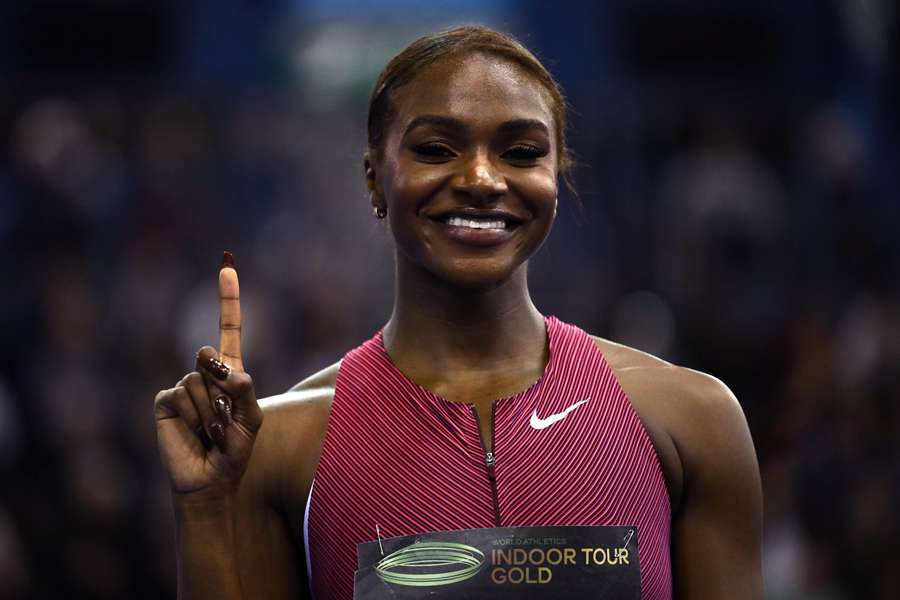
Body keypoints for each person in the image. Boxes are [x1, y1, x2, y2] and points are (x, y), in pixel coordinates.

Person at [154, 25, 762, 600]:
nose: (480, 178)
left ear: (558, 176)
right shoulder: (281, 446)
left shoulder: (693, 422)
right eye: (437, 148)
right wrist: (205, 507)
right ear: (374, 179)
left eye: (521, 151)